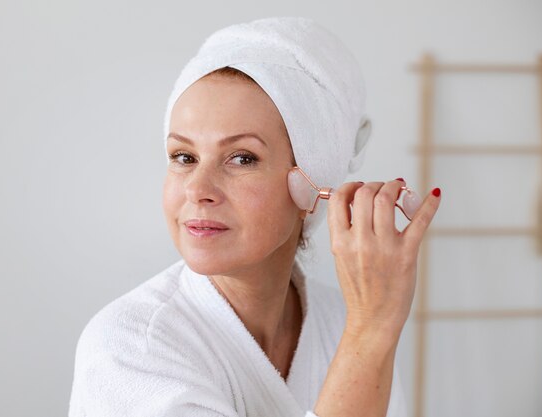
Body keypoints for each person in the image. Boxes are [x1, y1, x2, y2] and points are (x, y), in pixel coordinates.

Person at [68, 17, 441, 417]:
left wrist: (368, 329)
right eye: (184, 157)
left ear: (310, 182)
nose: (197, 189)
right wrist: (370, 333)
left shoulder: (340, 321)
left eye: (241, 158)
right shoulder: (130, 346)